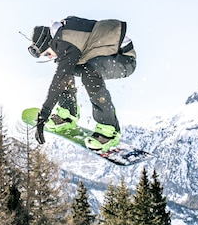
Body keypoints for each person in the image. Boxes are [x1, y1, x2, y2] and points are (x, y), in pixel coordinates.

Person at [28, 16, 137, 151]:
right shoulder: (62, 35)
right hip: (106, 56)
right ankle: (68, 113)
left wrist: (43, 115)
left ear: (50, 43)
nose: (50, 57)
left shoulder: (66, 42)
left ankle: (109, 129)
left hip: (124, 58)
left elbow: (59, 80)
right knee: (68, 70)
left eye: (47, 54)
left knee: (87, 73)